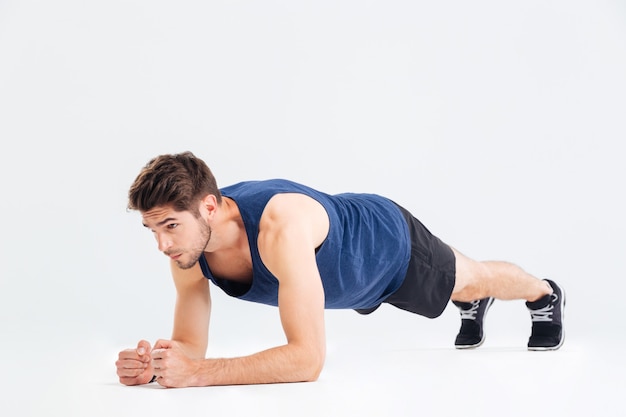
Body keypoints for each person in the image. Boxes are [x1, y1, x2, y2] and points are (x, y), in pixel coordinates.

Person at [115, 151, 565, 388]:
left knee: (471, 276)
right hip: (349, 285)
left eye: (170, 226)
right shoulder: (189, 249)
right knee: (460, 289)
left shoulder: (279, 227)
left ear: (209, 207)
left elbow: (307, 361)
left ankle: (541, 292)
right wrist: (159, 366)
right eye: (152, 229)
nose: (163, 244)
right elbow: (191, 344)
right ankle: (469, 301)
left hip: (386, 247)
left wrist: (197, 374)